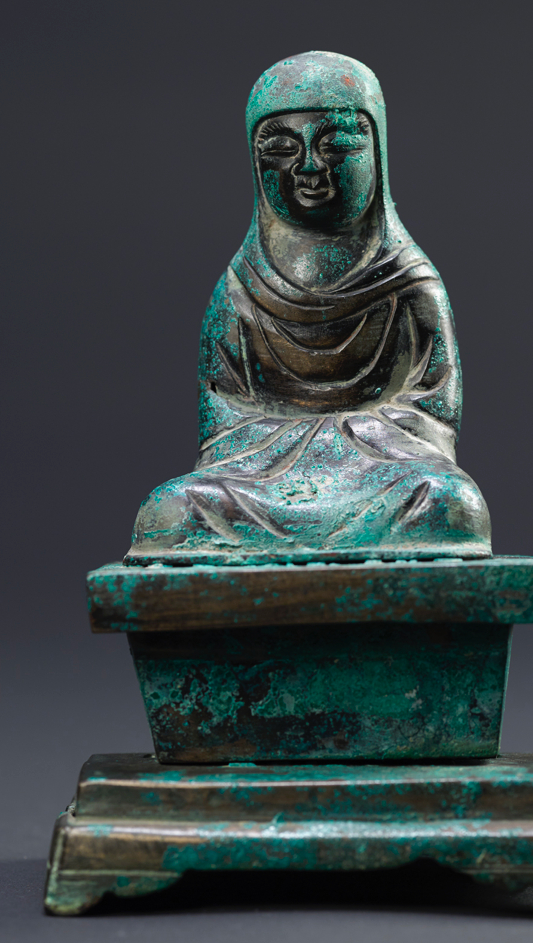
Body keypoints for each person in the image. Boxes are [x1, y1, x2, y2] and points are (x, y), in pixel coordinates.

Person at [125, 51, 492, 565]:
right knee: (174, 510)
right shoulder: (241, 289)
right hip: (262, 480)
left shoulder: (410, 285)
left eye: (336, 144)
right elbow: (225, 424)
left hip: (382, 474)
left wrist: (343, 445)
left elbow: (429, 416)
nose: (310, 169)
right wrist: (296, 449)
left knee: (446, 501)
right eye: (281, 148)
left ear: (378, 154)